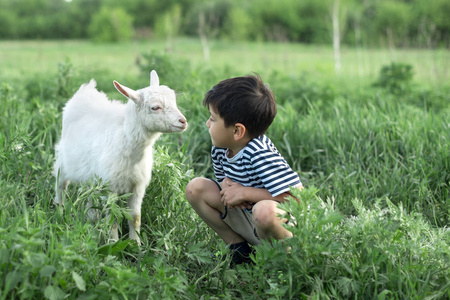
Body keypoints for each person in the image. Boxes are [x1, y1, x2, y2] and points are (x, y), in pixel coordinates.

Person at [185, 74, 302, 266]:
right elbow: (222, 180)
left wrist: (245, 192)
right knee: (195, 188)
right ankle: (239, 249)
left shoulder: (259, 153)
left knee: (265, 211)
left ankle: (285, 262)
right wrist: (226, 186)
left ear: (237, 131)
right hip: (249, 219)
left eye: (213, 119)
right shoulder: (221, 147)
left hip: (280, 230)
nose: (207, 123)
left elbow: (296, 198)